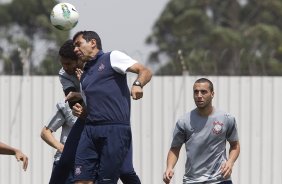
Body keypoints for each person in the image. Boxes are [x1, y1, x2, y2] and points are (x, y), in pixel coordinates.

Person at [50, 39, 146, 184]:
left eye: (69, 63)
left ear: (79, 59)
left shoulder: (101, 65)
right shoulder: (64, 73)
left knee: (126, 171)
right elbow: (72, 99)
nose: (65, 67)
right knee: (65, 162)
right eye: (62, 63)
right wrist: (78, 105)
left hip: (113, 125)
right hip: (87, 122)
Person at [163, 78, 240, 184]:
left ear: (212, 94)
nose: (199, 95)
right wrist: (169, 167)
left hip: (220, 179)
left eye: (203, 92)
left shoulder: (227, 119)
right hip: (192, 180)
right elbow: (175, 149)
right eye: (196, 92)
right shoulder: (184, 121)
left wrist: (230, 162)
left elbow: (235, 145)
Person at [41, 100, 77, 183]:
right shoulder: (66, 105)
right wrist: (63, 148)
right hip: (66, 163)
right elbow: (45, 132)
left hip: (88, 164)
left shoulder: (101, 107)